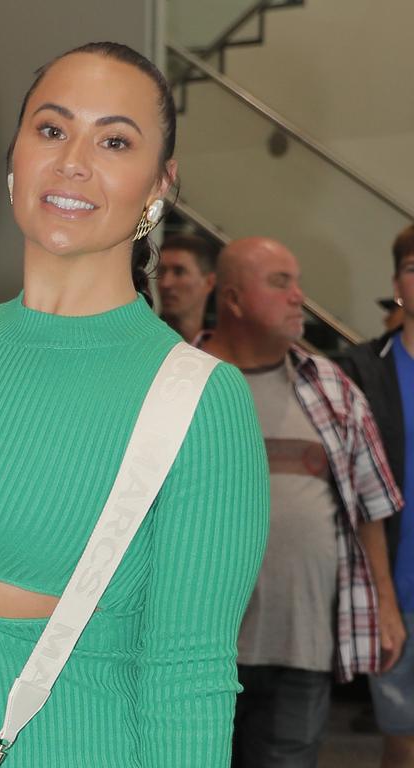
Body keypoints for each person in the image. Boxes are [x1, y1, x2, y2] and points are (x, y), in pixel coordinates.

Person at [0, 42, 269, 766]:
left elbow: (190, 675)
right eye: (51, 130)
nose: (73, 161)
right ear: (14, 158)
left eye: (114, 140)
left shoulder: (200, 400)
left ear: (160, 184)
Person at [198, 236, 404, 768]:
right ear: (235, 299)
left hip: (302, 648)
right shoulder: (175, 381)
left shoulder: (332, 387)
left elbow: (370, 507)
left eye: (298, 282)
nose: (300, 298)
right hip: (195, 650)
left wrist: (385, 602)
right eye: (280, 282)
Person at [339, 224, 414, 768]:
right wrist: (382, 600)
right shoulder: (361, 371)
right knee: (402, 739)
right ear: (397, 285)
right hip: (398, 591)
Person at [157, 232, 218, 343]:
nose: (165, 283)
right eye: (161, 271)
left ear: (209, 282)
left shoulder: (225, 347)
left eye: (179, 272)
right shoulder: (143, 342)